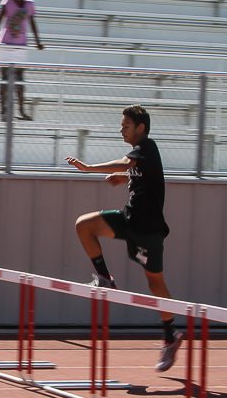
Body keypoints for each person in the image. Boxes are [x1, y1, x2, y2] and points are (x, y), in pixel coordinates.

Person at [65, 104, 182, 372]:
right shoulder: (141, 155)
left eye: (126, 126)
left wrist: (88, 168)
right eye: (121, 126)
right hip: (128, 220)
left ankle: (170, 336)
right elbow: (137, 169)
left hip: (148, 232)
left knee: (155, 284)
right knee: (84, 225)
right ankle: (104, 277)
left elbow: (129, 162)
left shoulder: (147, 146)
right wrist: (123, 177)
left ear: (141, 127)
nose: (121, 130)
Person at [0, 0, 44, 121]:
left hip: (21, 46)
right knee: (4, 79)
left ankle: (21, 111)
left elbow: (32, 22)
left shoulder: (29, 4)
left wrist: (38, 41)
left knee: (20, 80)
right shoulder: (7, 2)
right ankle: (3, 111)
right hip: (5, 45)